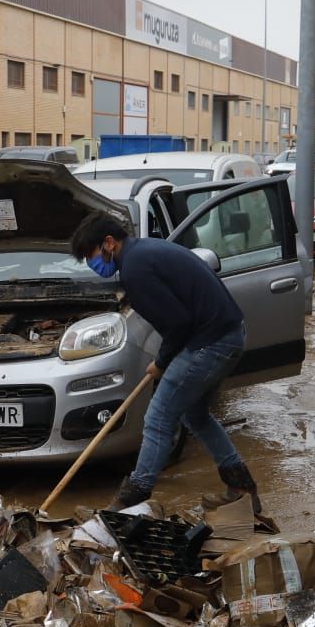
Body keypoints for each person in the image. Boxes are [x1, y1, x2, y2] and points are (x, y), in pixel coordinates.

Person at [67, 214, 260, 513]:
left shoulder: (135, 269)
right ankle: (242, 489)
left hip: (211, 342)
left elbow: (178, 325)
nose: (94, 265)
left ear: (108, 243)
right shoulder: (145, 251)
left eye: (91, 256)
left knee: (158, 418)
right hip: (229, 333)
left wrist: (161, 362)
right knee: (195, 415)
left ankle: (130, 500)